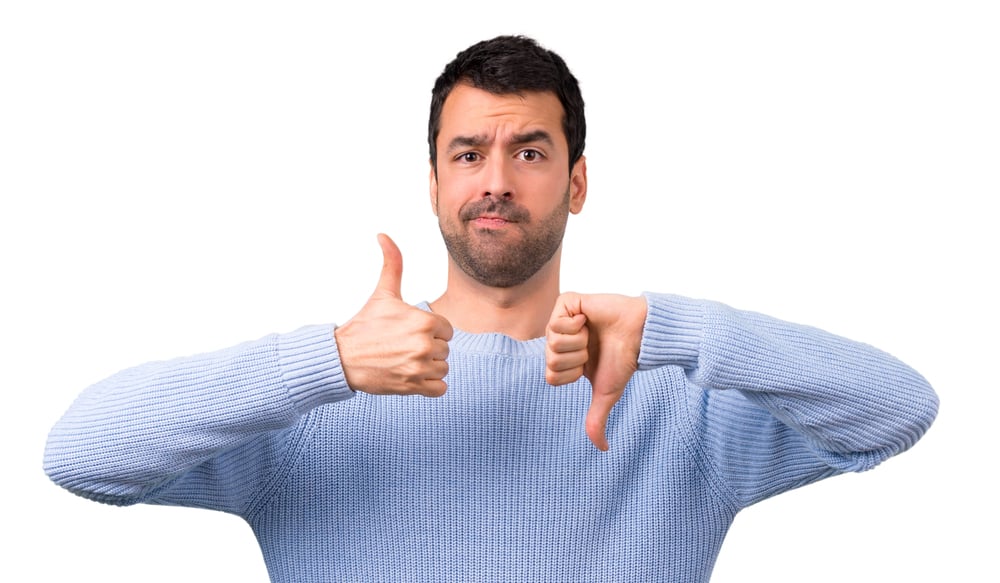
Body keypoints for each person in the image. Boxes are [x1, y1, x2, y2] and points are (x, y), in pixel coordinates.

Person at [44, 35, 939, 582]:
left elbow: (898, 410)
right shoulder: (320, 405)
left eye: (531, 152)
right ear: (434, 183)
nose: (497, 181)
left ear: (577, 183)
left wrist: (673, 329)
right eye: (468, 154)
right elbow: (81, 456)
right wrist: (328, 361)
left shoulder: (677, 403)